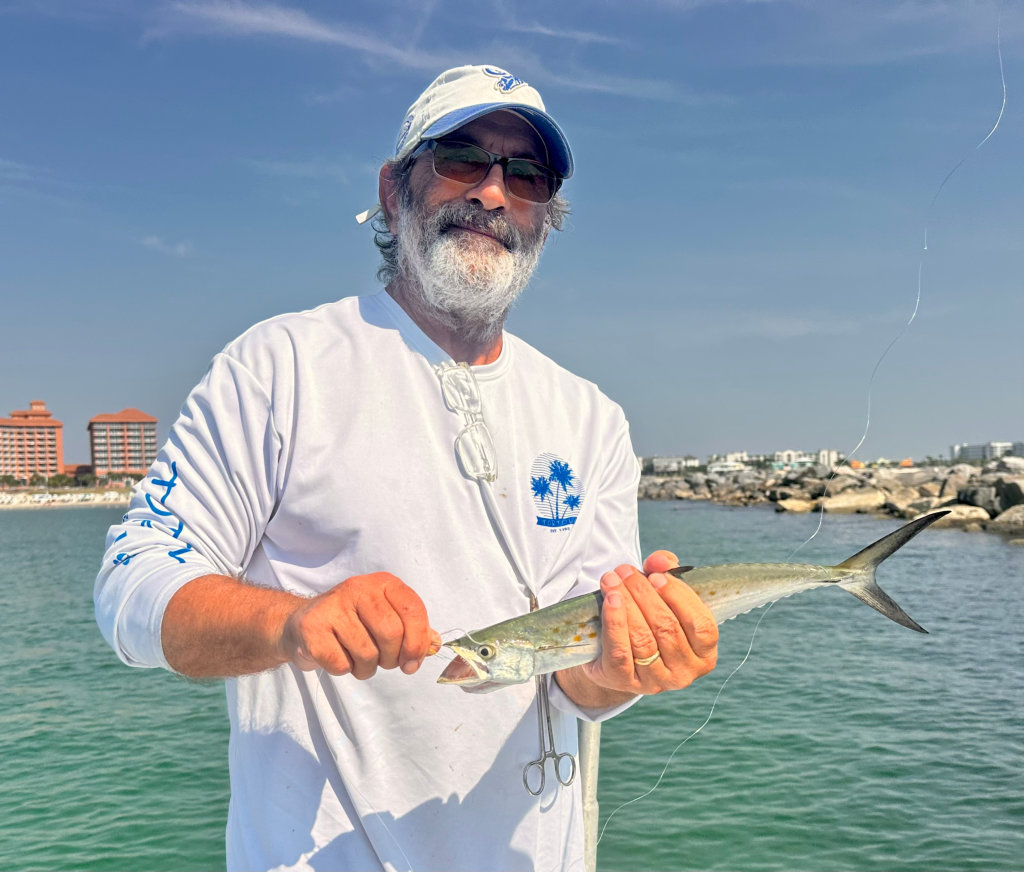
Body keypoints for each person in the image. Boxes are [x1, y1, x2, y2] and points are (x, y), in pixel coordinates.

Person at [94, 64, 718, 872]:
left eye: (525, 175)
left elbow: (577, 686)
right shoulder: (280, 367)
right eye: (463, 158)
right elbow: (131, 584)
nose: (493, 194)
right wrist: (291, 625)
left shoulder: (591, 417)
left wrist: (631, 665)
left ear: (546, 217)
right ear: (395, 190)